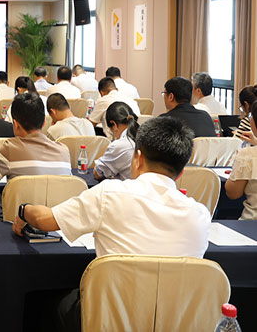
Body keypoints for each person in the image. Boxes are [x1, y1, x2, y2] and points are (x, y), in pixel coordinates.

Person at [12, 117, 211, 331]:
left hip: (110, 320)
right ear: (181, 173)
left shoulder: (110, 193)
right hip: (174, 322)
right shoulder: (200, 215)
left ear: (138, 158)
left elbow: (45, 220)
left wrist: (23, 210)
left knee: (40, 300)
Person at [0, 92, 71, 222]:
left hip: (20, 220)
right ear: (44, 122)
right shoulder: (64, 150)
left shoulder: (11, 148)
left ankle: (1, 226)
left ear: (15, 124)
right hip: (56, 220)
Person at [93, 102, 138, 180]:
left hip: (129, 186)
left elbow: (97, 173)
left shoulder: (119, 145)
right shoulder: (143, 135)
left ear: (113, 124)